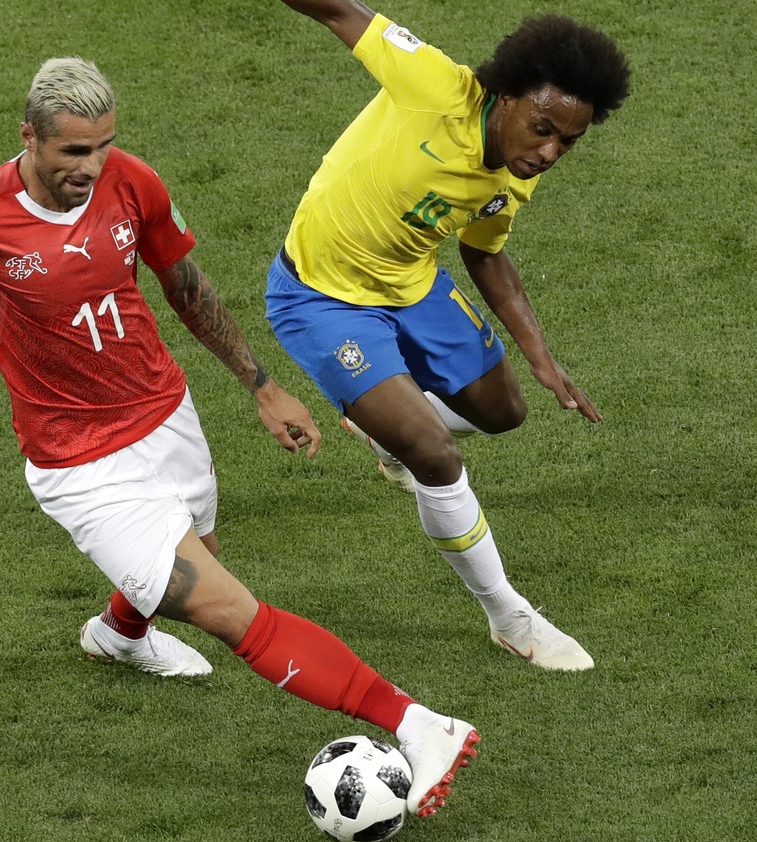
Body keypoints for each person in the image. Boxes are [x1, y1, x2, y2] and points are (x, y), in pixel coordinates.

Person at [0, 57, 478, 817]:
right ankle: (418, 722)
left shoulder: (131, 182)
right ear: (30, 137)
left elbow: (184, 283)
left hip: (166, 417)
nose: (91, 167)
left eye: (103, 146)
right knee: (225, 608)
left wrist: (260, 384)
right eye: (73, 152)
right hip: (84, 465)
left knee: (199, 556)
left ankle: (117, 635)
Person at [266, 1, 630, 671]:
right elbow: (341, 12)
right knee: (436, 454)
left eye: (568, 142)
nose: (549, 151)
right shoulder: (436, 87)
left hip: (413, 285)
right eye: (543, 129)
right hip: (322, 298)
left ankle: (387, 434)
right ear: (507, 97)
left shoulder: (517, 176)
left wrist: (542, 359)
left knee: (503, 412)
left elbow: (485, 253)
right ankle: (510, 617)